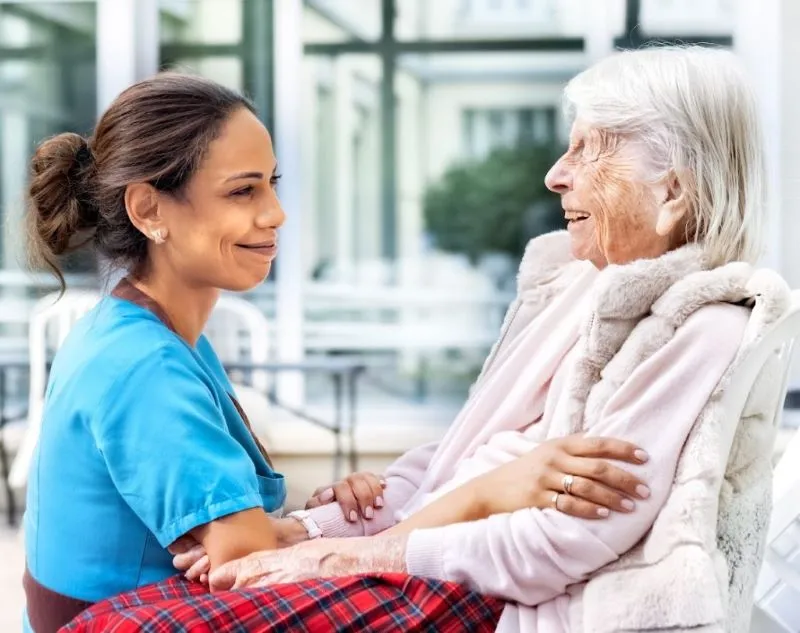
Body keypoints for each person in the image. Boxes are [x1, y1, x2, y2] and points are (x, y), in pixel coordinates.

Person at [171, 46, 789, 633]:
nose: (555, 176)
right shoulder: (577, 290)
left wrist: (346, 556)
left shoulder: (706, 328)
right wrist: (311, 529)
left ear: (673, 190)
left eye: (588, 151)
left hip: (481, 602)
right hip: (425, 571)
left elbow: (563, 541)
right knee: (152, 608)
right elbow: (456, 461)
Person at [22, 73, 651, 633]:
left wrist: (302, 524)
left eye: (270, 183)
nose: (276, 214)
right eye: (242, 192)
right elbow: (259, 575)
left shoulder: (140, 329)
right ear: (148, 210)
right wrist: (482, 496)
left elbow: (245, 539)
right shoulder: (145, 367)